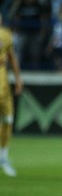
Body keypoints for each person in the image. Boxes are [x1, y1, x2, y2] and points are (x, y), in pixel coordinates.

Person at [0, 14, 23, 177]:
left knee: (8, 119)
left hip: (3, 81)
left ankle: (3, 157)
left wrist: (18, 79)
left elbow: (12, 57)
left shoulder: (6, 35)